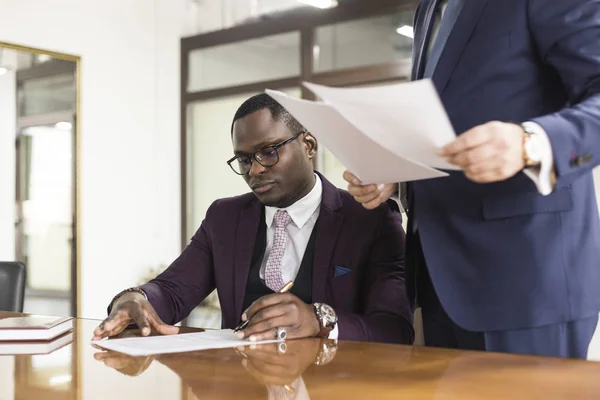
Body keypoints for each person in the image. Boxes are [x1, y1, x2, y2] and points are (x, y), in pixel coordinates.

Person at [345, 0, 600, 358]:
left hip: (525, 281)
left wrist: (530, 144)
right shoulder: (427, 9)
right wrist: (399, 174)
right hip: (439, 286)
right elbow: (445, 127)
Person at [93, 93, 413, 344]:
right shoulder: (225, 218)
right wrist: (136, 298)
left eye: (269, 152)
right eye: (244, 159)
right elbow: (174, 291)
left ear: (309, 145)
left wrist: (320, 320)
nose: (256, 170)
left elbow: (395, 329)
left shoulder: (370, 219)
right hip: (242, 385)